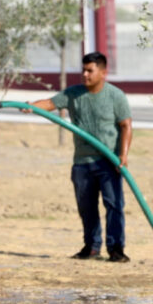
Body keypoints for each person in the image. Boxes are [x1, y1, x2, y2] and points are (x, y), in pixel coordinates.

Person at [27, 52, 133, 262]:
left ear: (103, 72)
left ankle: (116, 249)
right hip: (82, 163)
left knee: (114, 206)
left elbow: (126, 125)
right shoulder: (73, 94)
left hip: (109, 161)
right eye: (83, 70)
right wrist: (29, 106)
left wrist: (123, 154)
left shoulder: (116, 96)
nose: (85, 74)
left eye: (90, 70)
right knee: (86, 207)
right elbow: (49, 104)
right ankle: (91, 247)